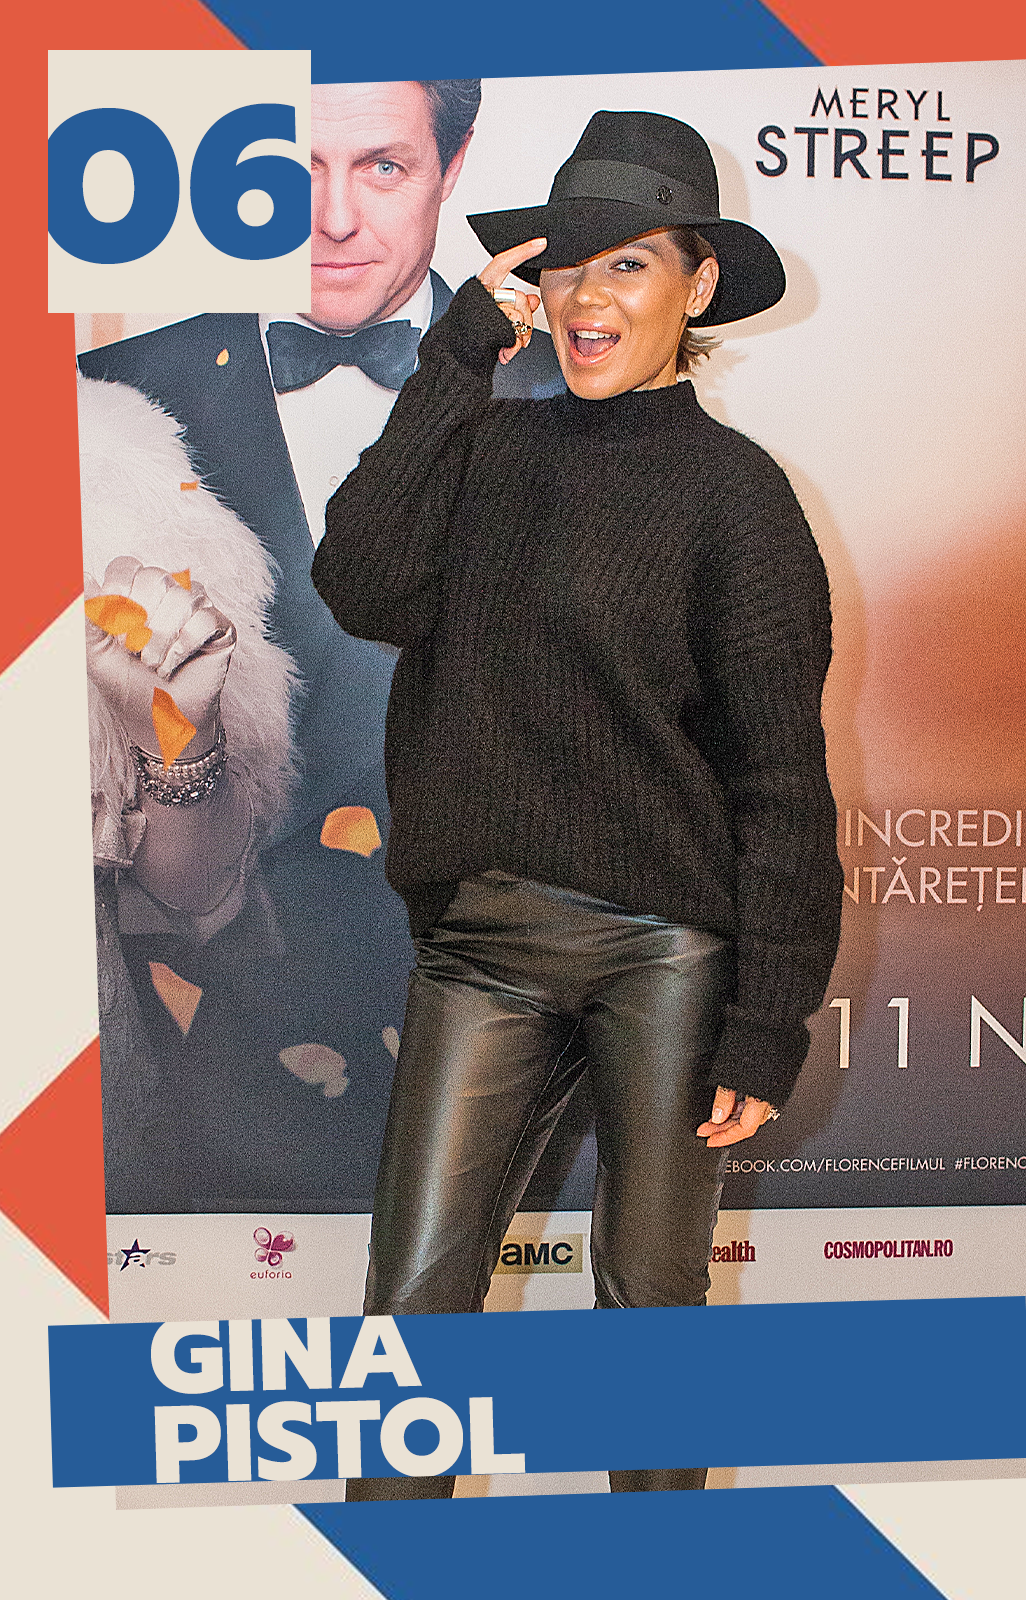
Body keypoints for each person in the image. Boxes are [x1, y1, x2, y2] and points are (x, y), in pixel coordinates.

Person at [312, 109, 843, 1498]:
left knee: (651, 1325)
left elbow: (782, 785)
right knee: (408, 1319)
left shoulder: (742, 502)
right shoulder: (485, 451)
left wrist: (766, 1020)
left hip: (665, 958)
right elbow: (359, 583)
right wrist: (453, 362)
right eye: (565, 265)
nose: (587, 297)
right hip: (481, 946)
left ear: (698, 286)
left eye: (629, 264)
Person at [76, 80, 564, 1215]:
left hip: (531, 1054)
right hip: (208, 1098)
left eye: (383, 167)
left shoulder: (577, 390)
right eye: (295, 171)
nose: (333, 219)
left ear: (455, 163)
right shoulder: (109, 408)